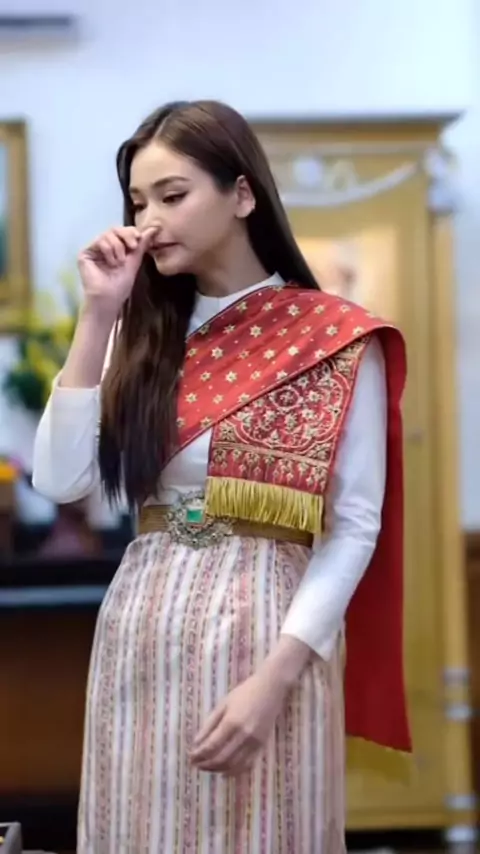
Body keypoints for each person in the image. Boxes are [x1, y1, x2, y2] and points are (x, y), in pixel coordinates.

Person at [32, 100, 410, 854]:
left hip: (268, 632)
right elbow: (61, 481)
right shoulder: (140, 334)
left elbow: (353, 527)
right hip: (141, 621)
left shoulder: (334, 338)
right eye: (138, 202)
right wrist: (98, 315)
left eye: (172, 196)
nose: (149, 221)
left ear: (241, 195)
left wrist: (275, 678)